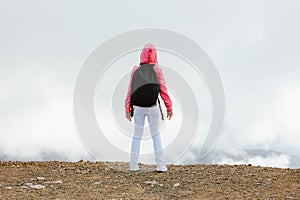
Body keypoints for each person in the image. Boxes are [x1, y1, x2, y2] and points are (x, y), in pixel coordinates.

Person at [125, 43, 173, 172]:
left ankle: (133, 166)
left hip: (138, 107)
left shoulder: (135, 70)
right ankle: (161, 166)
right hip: (153, 107)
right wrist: (169, 107)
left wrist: (127, 108)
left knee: (137, 136)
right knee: (156, 135)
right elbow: (163, 91)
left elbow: (130, 90)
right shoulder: (157, 71)